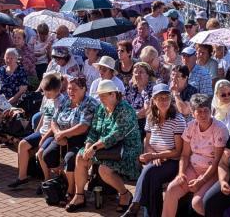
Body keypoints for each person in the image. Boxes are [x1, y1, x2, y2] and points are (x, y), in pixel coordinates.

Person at [65, 80, 142, 213]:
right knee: (80, 157)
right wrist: (89, 144)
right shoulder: (101, 108)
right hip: (105, 148)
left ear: (113, 94)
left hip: (126, 149)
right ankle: (79, 196)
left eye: (104, 95)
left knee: (104, 169)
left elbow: (115, 135)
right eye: (100, 96)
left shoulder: (125, 109)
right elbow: (94, 129)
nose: (101, 99)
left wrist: (93, 148)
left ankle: (125, 194)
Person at [122, 84, 186, 217]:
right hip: (155, 159)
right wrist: (153, 156)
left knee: (149, 171)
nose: (163, 101)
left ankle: (135, 205)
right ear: (154, 100)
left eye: (166, 97)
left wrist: (156, 155)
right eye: (160, 98)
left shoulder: (178, 120)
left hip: (172, 161)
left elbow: (178, 151)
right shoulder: (151, 118)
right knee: (152, 178)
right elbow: (147, 141)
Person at [162, 94, 227, 217]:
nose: (202, 115)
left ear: (211, 110)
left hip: (212, 172)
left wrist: (202, 181)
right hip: (193, 168)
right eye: (199, 111)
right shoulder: (191, 126)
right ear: (192, 113)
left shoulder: (220, 129)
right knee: (171, 189)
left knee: (197, 202)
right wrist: (181, 173)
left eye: (206, 111)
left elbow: (218, 160)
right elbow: (185, 155)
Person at [40, 75, 98, 198]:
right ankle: (64, 178)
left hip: (81, 139)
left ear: (84, 89)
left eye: (75, 89)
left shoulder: (89, 103)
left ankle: (71, 190)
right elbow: (54, 120)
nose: (71, 92)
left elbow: (83, 126)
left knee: (69, 159)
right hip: (61, 137)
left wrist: (63, 134)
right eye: (69, 89)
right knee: (47, 155)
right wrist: (57, 134)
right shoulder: (66, 100)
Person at [8, 73, 65, 188]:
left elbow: (55, 124)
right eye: (44, 91)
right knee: (23, 144)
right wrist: (37, 132)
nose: (45, 94)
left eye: (48, 92)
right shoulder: (46, 98)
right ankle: (22, 176)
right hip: (42, 132)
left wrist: (42, 138)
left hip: (52, 134)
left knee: (41, 153)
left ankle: (47, 180)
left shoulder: (62, 101)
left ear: (56, 90)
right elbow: (43, 116)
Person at [124, 62, 155, 137]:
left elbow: (147, 110)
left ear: (148, 75)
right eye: (135, 72)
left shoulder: (152, 89)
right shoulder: (130, 88)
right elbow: (124, 106)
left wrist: (132, 115)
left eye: (141, 72)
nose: (137, 75)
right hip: (129, 121)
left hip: (145, 123)